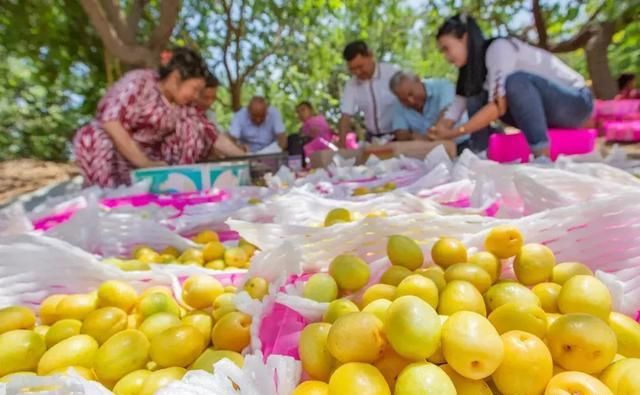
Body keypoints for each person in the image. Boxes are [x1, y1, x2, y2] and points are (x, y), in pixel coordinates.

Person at [430, 14, 593, 159]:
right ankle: (479, 153)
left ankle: (542, 157)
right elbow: (454, 111)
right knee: (474, 95)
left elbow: (498, 106)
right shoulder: (469, 73)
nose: (446, 56)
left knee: (515, 82)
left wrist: (455, 132)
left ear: (464, 38)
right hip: (542, 114)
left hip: (576, 103)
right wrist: (439, 130)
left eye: (446, 48)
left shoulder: (498, 48)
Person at [74, 47, 212, 187]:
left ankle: (173, 186)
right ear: (176, 78)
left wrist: (235, 155)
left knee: (192, 128)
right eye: (194, 89)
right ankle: (106, 197)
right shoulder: (140, 82)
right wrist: (144, 163)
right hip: (118, 158)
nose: (196, 96)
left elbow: (211, 135)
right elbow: (110, 122)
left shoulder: (184, 106)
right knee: (92, 136)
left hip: (151, 160)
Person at [337, 40, 399, 146]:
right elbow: (346, 115)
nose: (357, 72)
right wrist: (342, 146)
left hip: (397, 136)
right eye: (352, 69)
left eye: (360, 67)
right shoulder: (351, 84)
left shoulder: (392, 73)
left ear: (370, 56)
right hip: (372, 139)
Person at [389, 70, 469, 151]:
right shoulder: (398, 105)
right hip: (427, 151)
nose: (411, 101)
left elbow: (446, 118)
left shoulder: (443, 87)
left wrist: (423, 136)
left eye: (411, 94)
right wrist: (413, 136)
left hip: (463, 144)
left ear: (418, 80)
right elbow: (401, 134)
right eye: (404, 100)